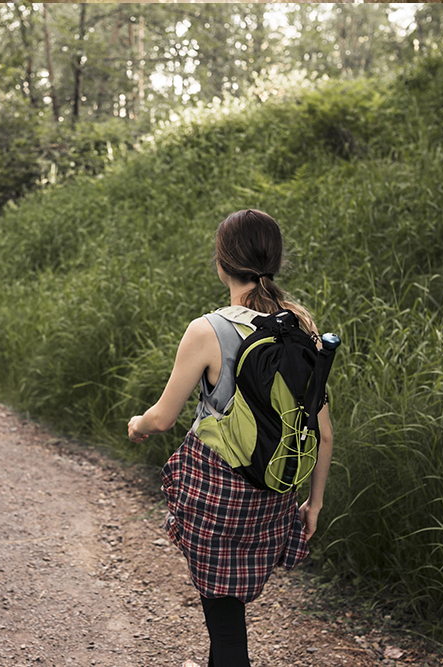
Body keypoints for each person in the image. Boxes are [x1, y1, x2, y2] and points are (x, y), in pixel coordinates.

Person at [127, 209, 334, 667]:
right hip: (273, 492)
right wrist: (314, 503)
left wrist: (136, 424)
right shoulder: (302, 329)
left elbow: (162, 420)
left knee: (224, 624)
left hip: (217, 494)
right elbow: (322, 431)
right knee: (228, 615)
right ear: (273, 261)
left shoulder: (208, 330)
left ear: (221, 263)